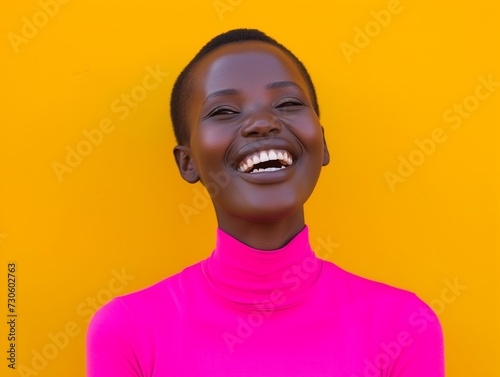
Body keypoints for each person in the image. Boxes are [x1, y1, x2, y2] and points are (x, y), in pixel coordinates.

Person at [86, 28, 444, 376]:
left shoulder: (402, 327)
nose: (262, 123)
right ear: (188, 161)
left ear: (322, 142)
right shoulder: (128, 332)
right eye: (225, 111)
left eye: (287, 104)